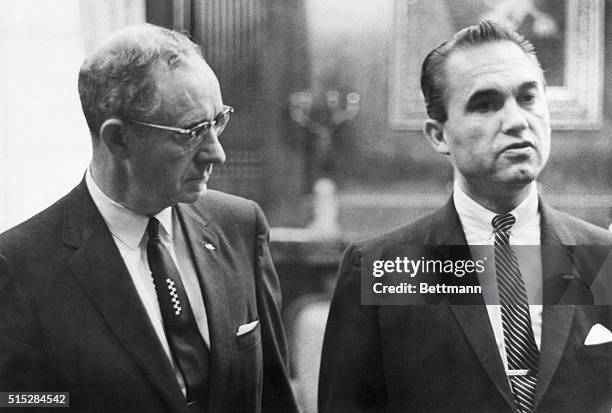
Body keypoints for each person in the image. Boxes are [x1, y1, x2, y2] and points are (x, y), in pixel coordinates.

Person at [0, 24, 298, 413]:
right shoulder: (20, 265)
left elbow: (274, 395)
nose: (217, 153)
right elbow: (19, 404)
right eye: (192, 131)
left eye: (218, 121)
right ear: (118, 139)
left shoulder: (239, 225)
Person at [319, 21, 612, 413]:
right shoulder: (385, 267)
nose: (516, 122)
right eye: (485, 104)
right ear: (438, 135)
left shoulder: (601, 256)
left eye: (528, 98)